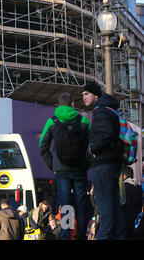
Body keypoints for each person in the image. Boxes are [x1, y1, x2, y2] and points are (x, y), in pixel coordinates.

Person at [39, 92, 90, 240]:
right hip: (80, 169)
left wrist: (52, 165)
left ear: (58, 105)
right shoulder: (84, 121)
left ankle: (66, 235)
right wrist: (86, 164)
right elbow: (91, 146)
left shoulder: (52, 121)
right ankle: (80, 235)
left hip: (61, 170)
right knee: (81, 203)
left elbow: (43, 146)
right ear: (73, 105)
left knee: (66, 204)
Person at [82, 81, 124, 240]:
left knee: (105, 206)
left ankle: (103, 237)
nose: (84, 97)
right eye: (83, 95)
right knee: (114, 205)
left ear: (96, 96)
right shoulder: (110, 111)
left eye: (86, 94)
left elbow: (106, 135)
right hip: (112, 164)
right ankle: (120, 236)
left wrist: (92, 149)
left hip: (102, 165)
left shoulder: (101, 112)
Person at [122, 167, 143, 239]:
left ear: (124, 175)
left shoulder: (124, 186)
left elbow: (122, 204)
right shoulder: (139, 187)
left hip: (125, 220)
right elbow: (140, 204)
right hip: (136, 220)